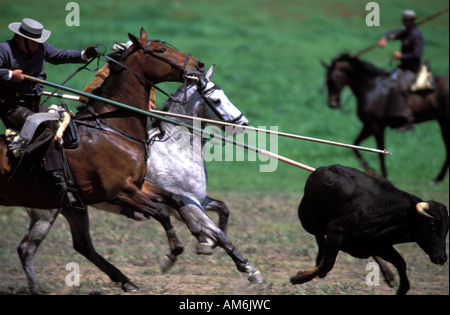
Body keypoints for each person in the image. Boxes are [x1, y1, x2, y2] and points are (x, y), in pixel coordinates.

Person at [0, 18, 98, 206]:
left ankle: (67, 176)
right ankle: (43, 174)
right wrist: (10, 75)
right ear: (21, 39)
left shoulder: (41, 47)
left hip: (34, 104)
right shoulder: (4, 50)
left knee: (65, 124)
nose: (38, 46)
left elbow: (60, 56)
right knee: (44, 133)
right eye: (34, 42)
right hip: (12, 106)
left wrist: (85, 54)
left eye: (38, 42)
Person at [378, 10, 424, 130]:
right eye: (404, 19)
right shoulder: (406, 32)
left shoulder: (416, 35)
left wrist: (402, 56)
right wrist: (384, 38)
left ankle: (408, 120)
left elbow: (417, 55)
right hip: (403, 67)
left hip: (412, 69)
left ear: (412, 21)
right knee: (387, 83)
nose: (405, 22)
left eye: (407, 20)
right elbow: (394, 33)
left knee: (401, 88)